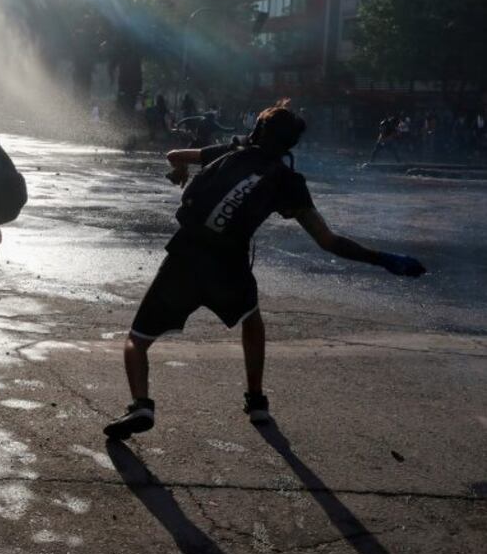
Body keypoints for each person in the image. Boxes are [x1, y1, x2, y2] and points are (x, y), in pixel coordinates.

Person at [103, 99, 426, 440]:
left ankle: (141, 404)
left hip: (185, 258)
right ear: (290, 146)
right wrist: (383, 259)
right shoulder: (287, 181)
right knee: (251, 321)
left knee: (137, 340)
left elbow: (174, 155)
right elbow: (328, 241)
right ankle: (256, 401)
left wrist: (181, 171)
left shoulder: (229, 152)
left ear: (256, 131)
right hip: (229, 265)